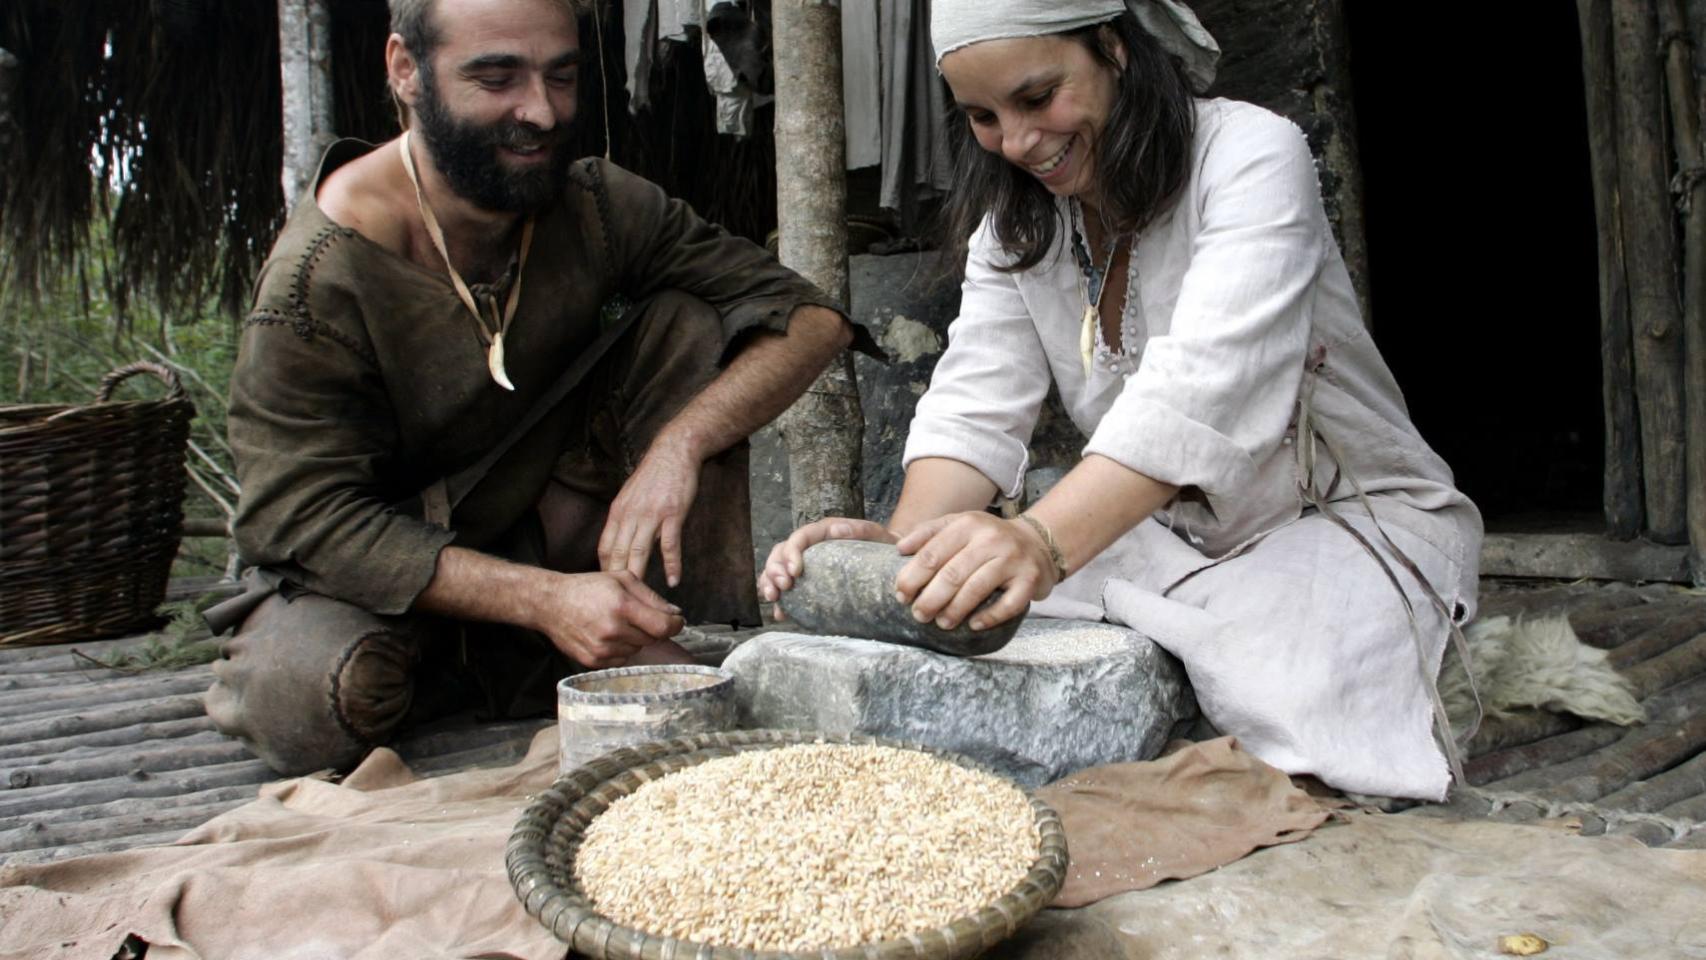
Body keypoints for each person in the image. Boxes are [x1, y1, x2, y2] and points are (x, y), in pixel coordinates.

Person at [759, 0, 1482, 801]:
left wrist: (1039, 541)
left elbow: (1206, 387)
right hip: (1160, 531)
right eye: (983, 117)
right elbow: (975, 402)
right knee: (987, 622)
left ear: (1113, 47)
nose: (1019, 142)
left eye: (1038, 99)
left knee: (1286, 681)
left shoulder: (1249, 155)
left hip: (1340, 516)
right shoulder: (1015, 224)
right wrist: (899, 557)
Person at [206, 0, 863, 775]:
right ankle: (529, 643)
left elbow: (813, 319)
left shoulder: (594, 203)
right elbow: (302, 517)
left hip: (541, 525)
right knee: (313, 704)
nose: (542, 112)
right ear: (405, 70)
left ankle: (632, 627)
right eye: (496, 78)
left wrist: (679, 444)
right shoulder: (315, 281)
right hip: (373, 579)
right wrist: (542, 601)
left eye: (562, 76)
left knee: (692, 321)